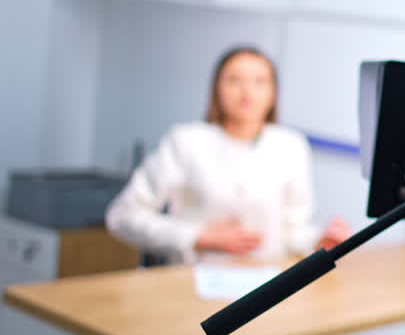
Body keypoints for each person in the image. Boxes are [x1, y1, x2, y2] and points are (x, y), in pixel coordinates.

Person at [106, 46, 352, 264]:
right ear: (216, 89)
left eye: (259, 81)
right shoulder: (185, 141)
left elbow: (293, 230)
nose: (247, 91)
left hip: (266, 288)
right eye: (234, 80)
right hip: (192, 281)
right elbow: (123, 217)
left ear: (273, 93)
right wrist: (197, 237)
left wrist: (320, 243)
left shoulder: (290, 146)